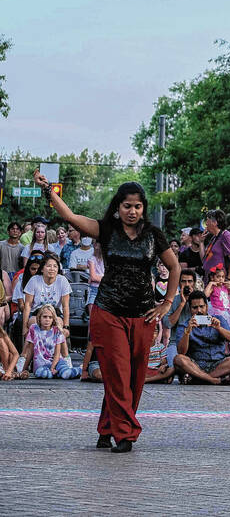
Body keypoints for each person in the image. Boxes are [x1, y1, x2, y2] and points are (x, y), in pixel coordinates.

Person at [33, 170, 179, 454]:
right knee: (118, 374)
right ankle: (126, 434)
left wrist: (167, 302)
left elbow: (174, 267)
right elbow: (70, 217)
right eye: (127, 206)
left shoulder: (153, 235)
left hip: (143, 315)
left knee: (133, 378)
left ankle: (107, 429)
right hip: (109, 312)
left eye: (138, 206)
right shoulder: (106, 230)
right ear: (118, 207)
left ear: (143, 208)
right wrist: (49, 189)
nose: (132, 211)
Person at [173, 290, 230, 384]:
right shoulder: (184, 325)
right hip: (196, 364)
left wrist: (219, 328)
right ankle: (213, 380)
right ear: (190, 309)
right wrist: (187, 331)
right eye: (195, 308)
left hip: (218, 364)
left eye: (201, 306)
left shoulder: (218, 319)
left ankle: (199, 378)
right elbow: (181, 352)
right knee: (178, 359)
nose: (199, 310)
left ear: (207, 306)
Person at [16, 304, 80, 380]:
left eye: (50, 317)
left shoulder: (57, 330)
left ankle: (79, 370)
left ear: (53, 319)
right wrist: (24, 369)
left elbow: (57, 354)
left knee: (66, 374)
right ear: (39, 317)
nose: (47, 319)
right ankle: (56, 373)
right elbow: (30, 351)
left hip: (57, 362)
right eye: (45, 317)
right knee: (43, 374)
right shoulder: (33, 328)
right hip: (41, 365)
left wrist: (52, 368)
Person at [21, 251, 71, 340]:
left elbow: (65, 306)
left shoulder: (62, 280)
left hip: (55, 313)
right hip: (37, 312)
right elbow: (28, 305)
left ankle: (56, 349)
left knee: (58, 325)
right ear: (42, 269)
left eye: (55, 266)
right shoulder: (34, 280)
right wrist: (24, 327)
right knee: (34, 324)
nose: (52, 269)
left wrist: (66, 327)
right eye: (48, 266)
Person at [201, 209, 230, 283]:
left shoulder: (226, 235)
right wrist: (201, 242)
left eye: (207, 220)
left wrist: (229, 280)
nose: (206, 224)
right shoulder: (214, 237)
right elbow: (204, 259)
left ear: (214, 223)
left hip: (221, 280)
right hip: (210, 279)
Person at [87, 241, 105, 307]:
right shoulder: (92, 259)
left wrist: (98, 278)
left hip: (104, 288)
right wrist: (106, 279)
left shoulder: (108, 260)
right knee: (91, 305)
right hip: (95, 288)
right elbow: (93, 277)